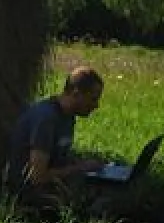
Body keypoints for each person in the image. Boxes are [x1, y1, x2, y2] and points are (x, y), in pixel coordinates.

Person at [6, 66, 108, 213]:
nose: (96, 106)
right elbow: (37, 176)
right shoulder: (46, 119)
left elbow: (59, 158)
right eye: (93, 99)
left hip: (52, 184)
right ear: (76, 93)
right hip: (28, 192)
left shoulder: (68, 116)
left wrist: (85, 165)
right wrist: (80, 168)